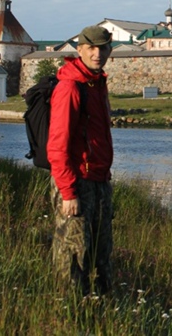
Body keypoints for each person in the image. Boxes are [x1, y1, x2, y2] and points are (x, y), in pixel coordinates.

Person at [48, 25, 114, 296]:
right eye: (91, 48)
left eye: (103, 48)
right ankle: (68, 310)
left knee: (101, 254)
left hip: (99, 180)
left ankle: (101, 308)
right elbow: (57, 146)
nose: (98, 54)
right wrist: (68, 192)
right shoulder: (70, 87)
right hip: (76, 183)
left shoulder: (96, 84)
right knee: (73, 256)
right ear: (80, 50)